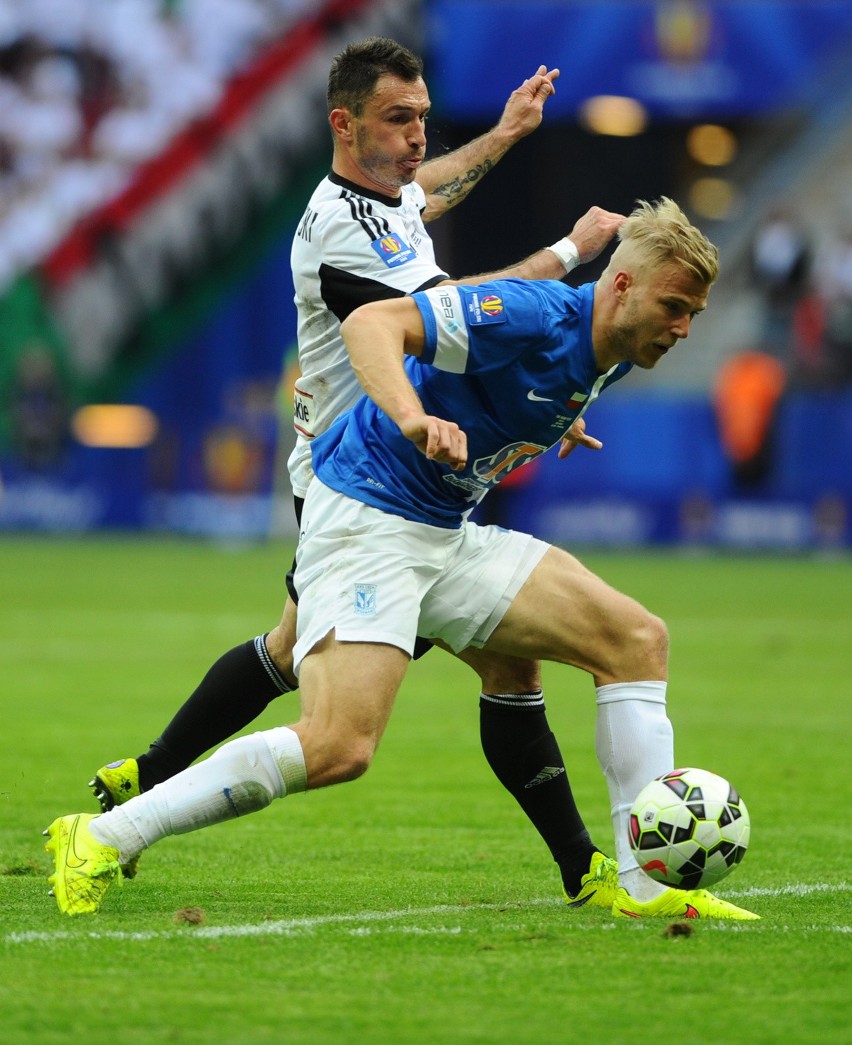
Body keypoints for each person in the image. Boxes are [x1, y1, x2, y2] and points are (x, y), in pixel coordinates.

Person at [46, 197, 759, 921]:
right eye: (674, 306)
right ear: (621, 286)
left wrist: (551, 414)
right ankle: (100, 835)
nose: (684, 328)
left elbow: (509, 381)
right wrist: (414, 417)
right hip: (368, 517)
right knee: (339, 744)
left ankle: (642, 883)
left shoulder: (614, 350)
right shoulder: (537, 315)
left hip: (443, 528)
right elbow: (374, 322)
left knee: (635, 640)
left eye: (693, 314)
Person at [84, 38, 626, 907]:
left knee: (297, 649)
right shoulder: (342, 228)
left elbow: (429, 189)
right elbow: (469, 318)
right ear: (344, 124)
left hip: (390, 467)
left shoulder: (381, 194)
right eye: (396, 120)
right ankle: (588, 871)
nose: (416, 136)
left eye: (420, 118)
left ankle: (142, 777)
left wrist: (505, 134)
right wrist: (570, 252)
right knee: (437, 683)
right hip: (361, 474)